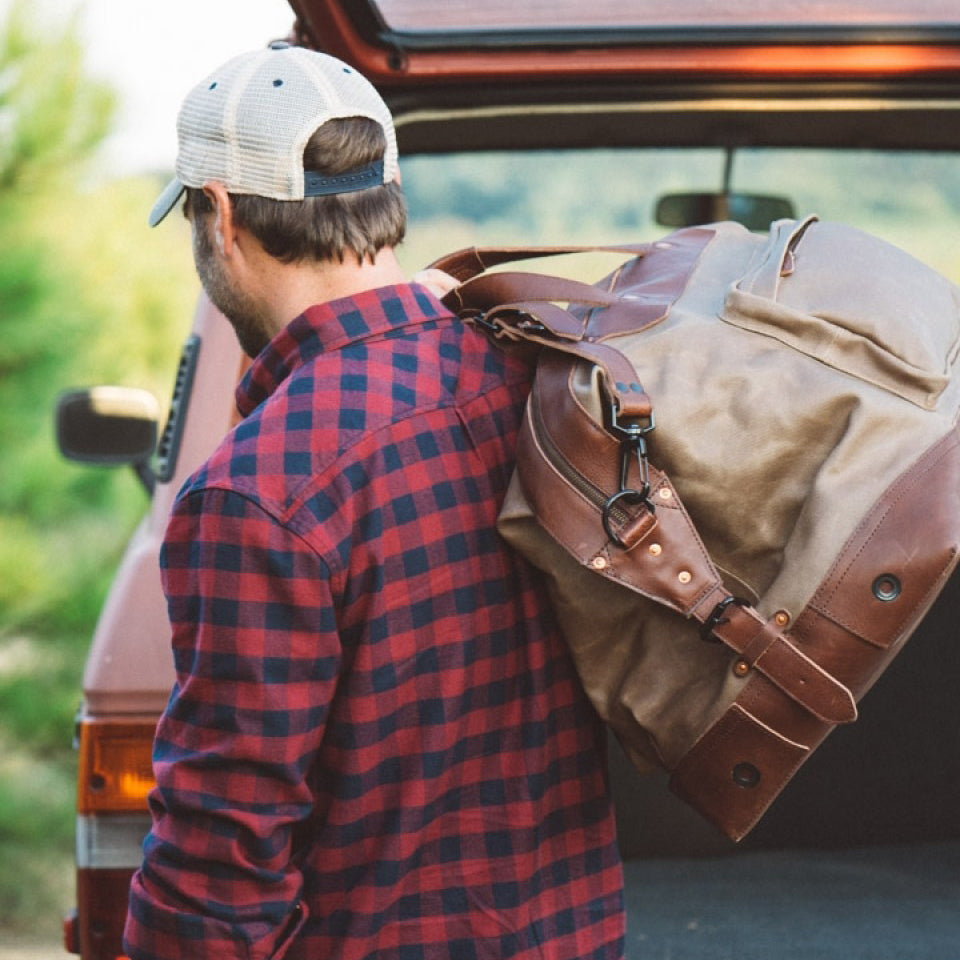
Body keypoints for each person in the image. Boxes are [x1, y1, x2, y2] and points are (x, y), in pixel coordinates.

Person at [123, 41, 624, 960]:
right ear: (386, 196)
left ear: (220, 217)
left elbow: (218, 866)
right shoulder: (537, 382)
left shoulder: (254, 491)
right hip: (574, 938)